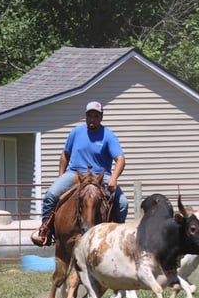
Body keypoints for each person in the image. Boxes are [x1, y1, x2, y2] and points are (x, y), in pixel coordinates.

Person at [30, 101, 129, 247]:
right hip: (74, 173)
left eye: (95, 116)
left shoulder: (109, 136)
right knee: (51, 194)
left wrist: (113, 178)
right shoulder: (76, 132)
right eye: (89, 116)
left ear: (101, 117)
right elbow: (65, 154)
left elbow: (120, 159)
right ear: (86, 117)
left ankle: (118, 238)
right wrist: (61, 175)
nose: (92, 119)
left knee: (122, 203)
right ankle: (45, 231)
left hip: (99, 176)